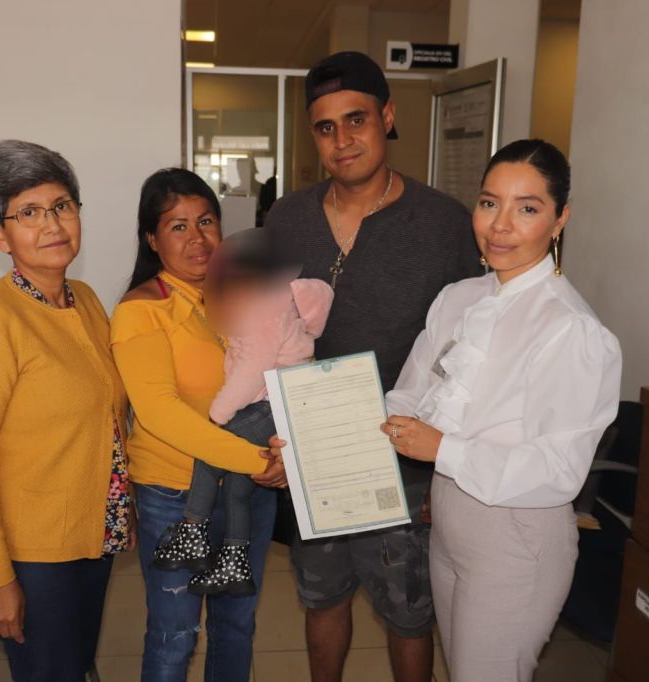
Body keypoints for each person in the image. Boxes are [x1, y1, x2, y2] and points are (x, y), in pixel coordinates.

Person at [264, 51, 483, 682]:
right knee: (321, 597)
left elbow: (471, 349)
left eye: (356, 119)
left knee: (409, 614)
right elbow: (263, 328)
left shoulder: (444, 223)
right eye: (325, 127)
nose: (342, 139)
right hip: (316, 449)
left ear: (387, 117)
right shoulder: (288, 218)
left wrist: (445, 465)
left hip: (405, 454)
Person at [382, 139, 622, 681]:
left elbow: (558, 470)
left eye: (527, 208)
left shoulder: (571, 329)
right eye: (490, 203)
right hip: (447, 518)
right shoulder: (458, 298)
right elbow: (409, 397)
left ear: (560, 220)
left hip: (517, 534)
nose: (500, 226)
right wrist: (322, 439)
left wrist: (443, 449)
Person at [0, 139, 133, 681]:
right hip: (34, 554)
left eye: (62, 206)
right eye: (28, 213)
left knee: (74, 664)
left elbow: (106, 417)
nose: (52, 224)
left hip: (92, 534)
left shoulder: (85, 300)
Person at [110, 168, 288, 682]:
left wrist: (286, 454)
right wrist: (257, 460)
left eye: (206, 221)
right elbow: (160, 413)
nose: (198, 238)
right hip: (175, 495)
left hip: (249, 492)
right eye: (178, 226)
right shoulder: (142, 312)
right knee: (175, 636)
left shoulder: (244, 297)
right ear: (152, 238)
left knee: (237, 626)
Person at [153, 230, 334, 597]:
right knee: (238, 486)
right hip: (284, 402)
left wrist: (218, 415)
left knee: (210, 448)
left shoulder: (263, 310)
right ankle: (234, 564)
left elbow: (252, 369)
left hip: (270, 402)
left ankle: (193, 533)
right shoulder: (280, 301)